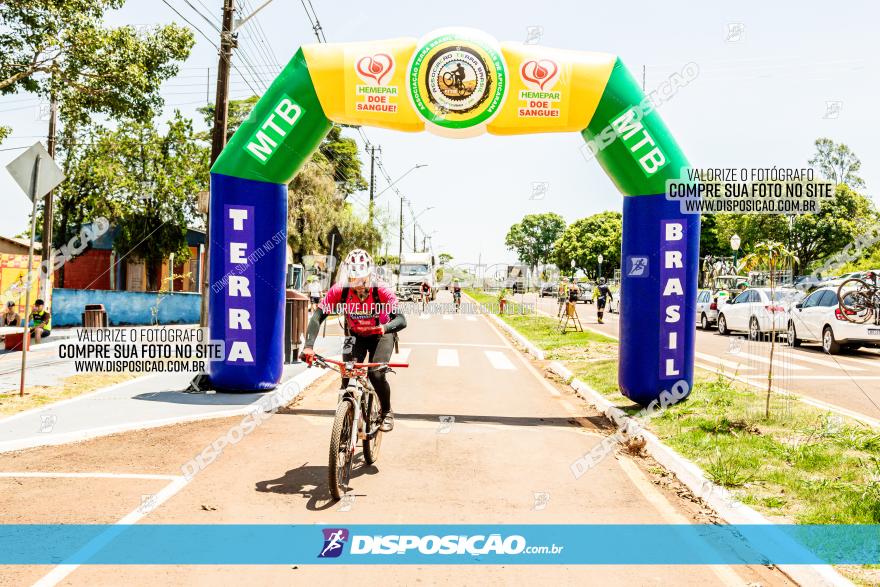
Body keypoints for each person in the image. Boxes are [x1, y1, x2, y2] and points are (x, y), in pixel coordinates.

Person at [301, 249, 407, 432]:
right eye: (353, 280)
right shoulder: (340, 290)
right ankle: (345, 419)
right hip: (355, 334)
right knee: (347, 372)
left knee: (376, 374)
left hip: (381, 334)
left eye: (362, 280)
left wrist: (383, 328)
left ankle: (386, 411)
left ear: (370, 275)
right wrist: (308, 347)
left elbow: (401, 320)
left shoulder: (381, 289)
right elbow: (317, 317)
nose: (357, 285)